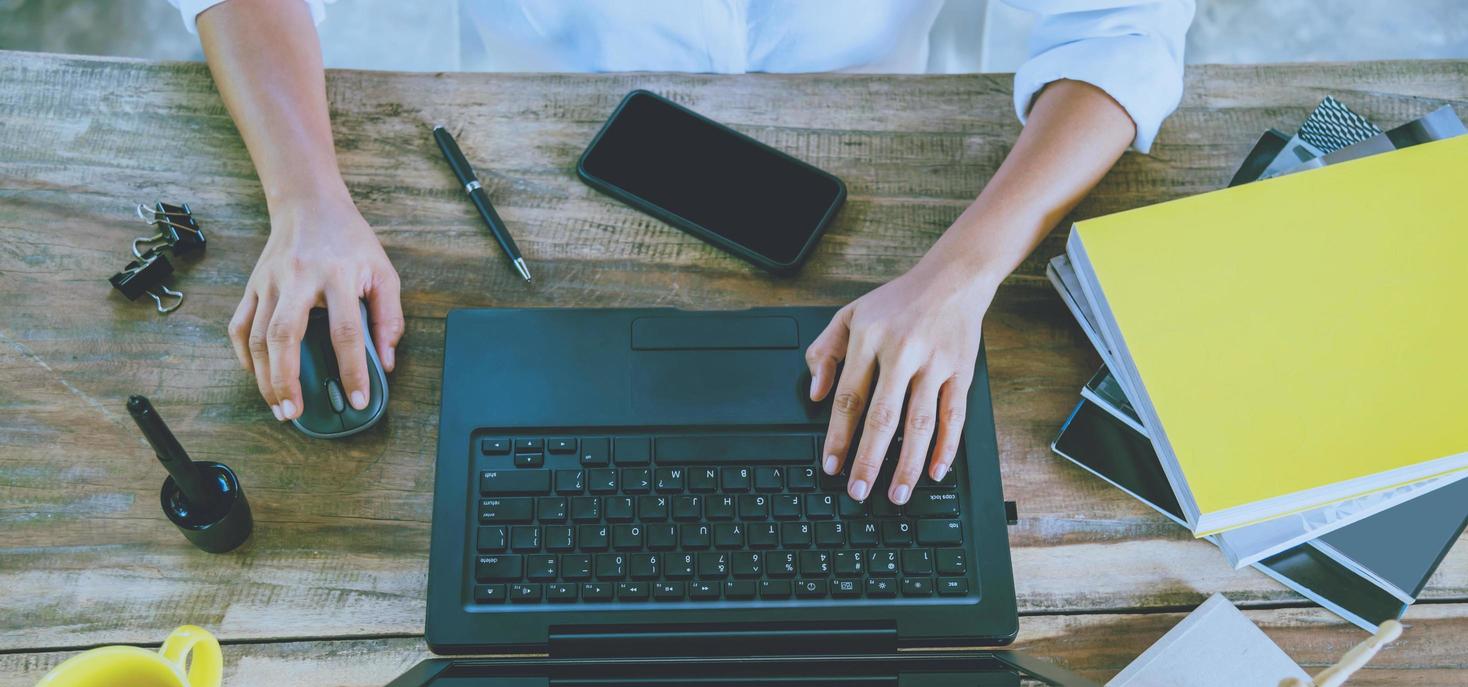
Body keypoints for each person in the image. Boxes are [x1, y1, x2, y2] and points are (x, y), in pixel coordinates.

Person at [171, 0, 1193, 505]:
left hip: (882, 153)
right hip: (536, 141)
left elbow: (1119, 29)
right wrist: (306, 197)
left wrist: (961, 273)